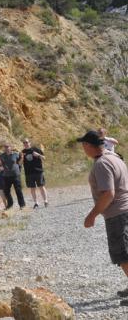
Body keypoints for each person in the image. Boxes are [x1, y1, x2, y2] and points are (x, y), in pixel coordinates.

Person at [78, 130, 128, 306]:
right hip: (125, 210)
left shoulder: (101, 163)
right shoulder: (115, 157)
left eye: (84, 145)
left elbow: (108, 194)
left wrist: (92, 215)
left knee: (122, 254)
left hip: (118, 214)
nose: (83, 148)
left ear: (89, 146)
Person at [21, 138, 49, 209]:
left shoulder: (35, 149)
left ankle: (45, 201)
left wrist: (38, 155)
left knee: (41, 186)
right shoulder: (22, 152)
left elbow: (44, 158)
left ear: (29, 142)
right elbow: (19, 163)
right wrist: (22, 158)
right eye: (24, 143)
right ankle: (36, 203)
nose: (25, 144)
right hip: (28, 173)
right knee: (32, 188)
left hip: (38, 171)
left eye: (26, 142)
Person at [0, 143, 26, 210]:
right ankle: (10, 204)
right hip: (6, 176)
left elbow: (20, 163)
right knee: (6, 191)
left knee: (18, 190)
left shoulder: (15, 154)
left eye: (7, 147)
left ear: (10, 147)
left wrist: (22, 157)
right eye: (5, 147)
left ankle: (22, 205)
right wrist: (0, 167)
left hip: (16, 175)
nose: (6, 148)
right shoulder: (2, 156)